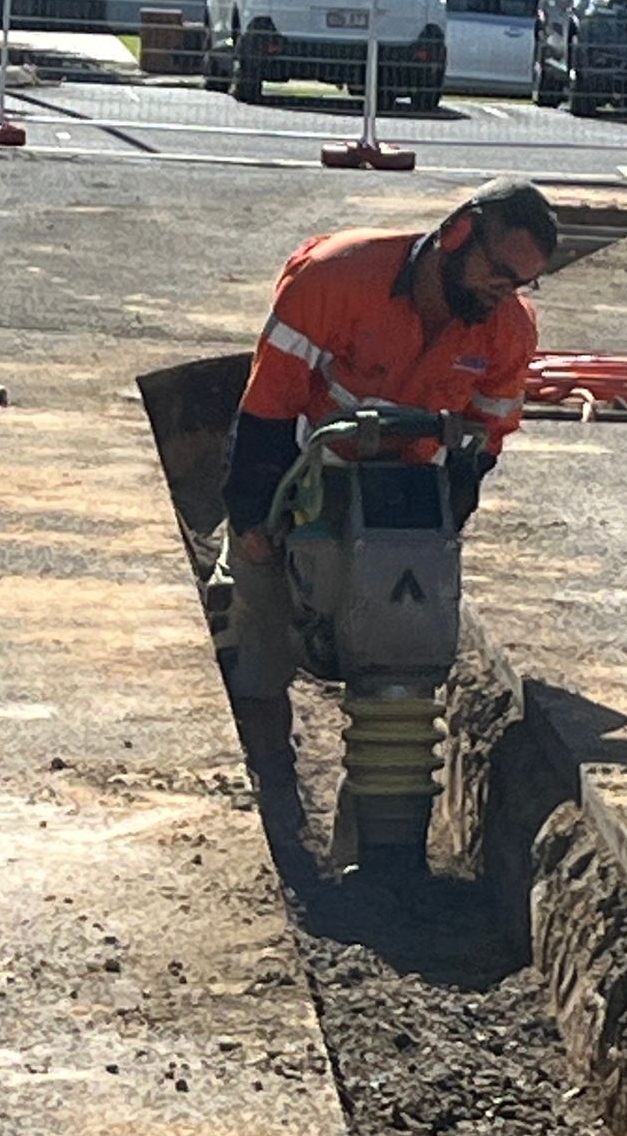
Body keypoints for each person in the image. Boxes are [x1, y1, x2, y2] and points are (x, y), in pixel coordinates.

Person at [215, 176, 559, 814]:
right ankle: (276, 791)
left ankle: (379, 815)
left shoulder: (507, 333)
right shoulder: (335, 277)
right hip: (299, 463)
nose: (504, 290)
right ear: (457, 235)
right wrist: (254, 514)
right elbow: (268, 402)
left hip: (403, 489)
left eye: (520, 283)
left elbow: (481, 445)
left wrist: (444, 527)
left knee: (403, 647)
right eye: (499, 271)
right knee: (260, 628)